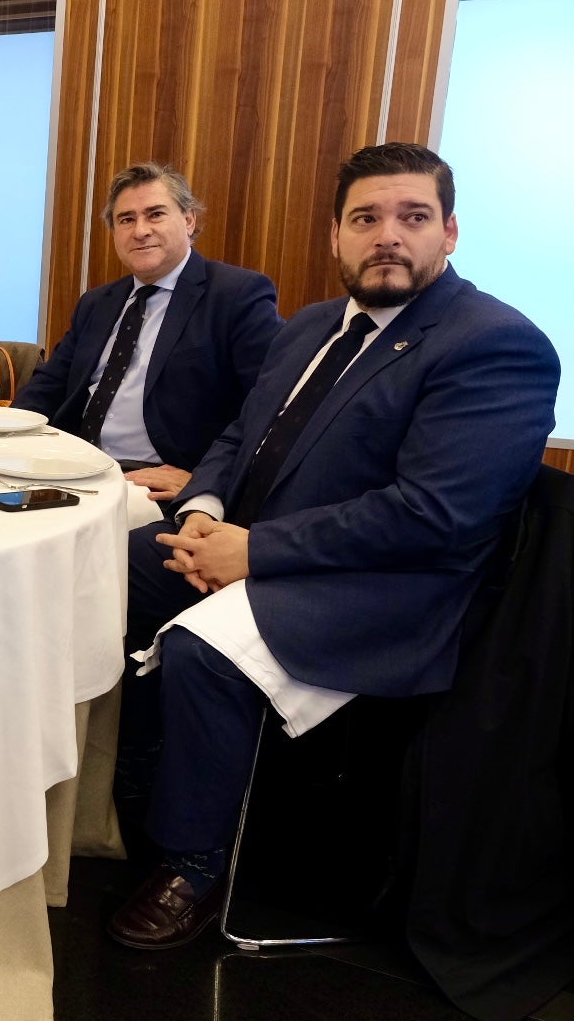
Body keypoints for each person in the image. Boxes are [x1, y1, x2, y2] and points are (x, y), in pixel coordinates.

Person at [106, 142, 559, 950]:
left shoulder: (495, 343)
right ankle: (124, 785)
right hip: (265, 547)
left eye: (412, 217)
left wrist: (254, 552)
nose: (388, 235)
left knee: (203, 651)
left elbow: (434, 514)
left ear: (448, 232)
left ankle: (194, 863)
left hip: (390, 588)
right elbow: (241, 432)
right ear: (335, 236)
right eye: (366, 218)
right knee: (104, 571)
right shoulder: (313, 324)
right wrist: (205, 510)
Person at [13, 163, 282, 508]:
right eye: (126, 219)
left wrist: (207, 481)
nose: (140, 230)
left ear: (189, 220)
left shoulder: (236, 295)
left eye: (155, 215)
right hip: (74, 468)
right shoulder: (97, 303)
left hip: (155, 482)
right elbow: (48, 386)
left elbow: (271, 407)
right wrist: (3, 440)